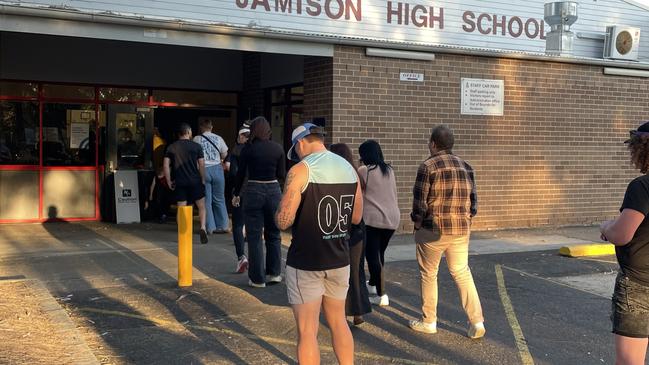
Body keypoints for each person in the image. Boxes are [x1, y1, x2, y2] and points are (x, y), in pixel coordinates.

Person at [275, 123, 363, 365]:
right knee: (338, 322)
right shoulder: (348, 168)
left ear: (301, 142)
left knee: (307, 331)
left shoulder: (301, 170)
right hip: (339, 257)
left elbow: (284, 220)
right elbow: (356, 217)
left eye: (297, 149)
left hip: (306, 260)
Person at [409, 125, 485, 339]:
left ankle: (429, 321)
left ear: (433, 143)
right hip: (460, 229)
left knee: (429, 274)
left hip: (433, 229)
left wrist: (417, 223)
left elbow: (420, 203)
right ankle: (477, 321)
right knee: (461, 272)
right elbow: (474, 203)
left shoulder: (428, 166)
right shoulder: (466, 166)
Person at [600, 121, 649, 365]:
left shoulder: (642, 186)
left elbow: (622, 234)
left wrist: (606, 227)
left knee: (630, 362)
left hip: (639, 285)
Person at [232, 116, 285, 287]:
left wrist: (236, 193)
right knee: (274, 233)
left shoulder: (248, 149)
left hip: (253, 189)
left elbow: (241, 175)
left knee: (254, 236)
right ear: (268, 130)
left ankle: (257, 279)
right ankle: (274, 273)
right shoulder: (278, 148)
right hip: (273, 189)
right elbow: (282, 174)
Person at [330, 142, 372, 326]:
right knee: (356, 272)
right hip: (359, 228)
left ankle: (343, 311)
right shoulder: (356, 174)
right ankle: (358, 312)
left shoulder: (336, 175)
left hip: (342, 227)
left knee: (340, 272)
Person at [358, 140, 400, 307]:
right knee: (379, 254)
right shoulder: (389, 170)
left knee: (372, 256)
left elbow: (359, 191)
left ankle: (382, 295)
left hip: (373, 220)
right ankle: (374, 284)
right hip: (392, 219)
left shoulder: (364, 170)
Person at [163, 123, 209, 244]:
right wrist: (203, 179)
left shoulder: (171, 147)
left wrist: (168, 180)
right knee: (201, 206)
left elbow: (166, 165)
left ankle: (183, 233)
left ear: (179, 134)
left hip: (180, 181)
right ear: (188, 132)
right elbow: (202, 164)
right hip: (195, 181)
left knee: (181, 208)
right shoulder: (196, 146)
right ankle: (203, 227)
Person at [193, 119, 230, 234]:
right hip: (217, 170)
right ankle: (223, 226)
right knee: (219, 198)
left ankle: (210, 227)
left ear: (201, 128)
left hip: (204, 170)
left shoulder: (197, 139)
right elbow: (225, 154)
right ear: (211, 127)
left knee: (206, 201)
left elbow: (194, 155)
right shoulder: (218, 138)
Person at [227, 122, 251, 273]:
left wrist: (236, 193)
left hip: (241, 193)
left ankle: (241, 257)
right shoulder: (257, 150)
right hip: (258, 192)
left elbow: (234, 173)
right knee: (254, 226)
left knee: (237, 224)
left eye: (239, 136)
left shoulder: (236, 151)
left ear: (242, 136)